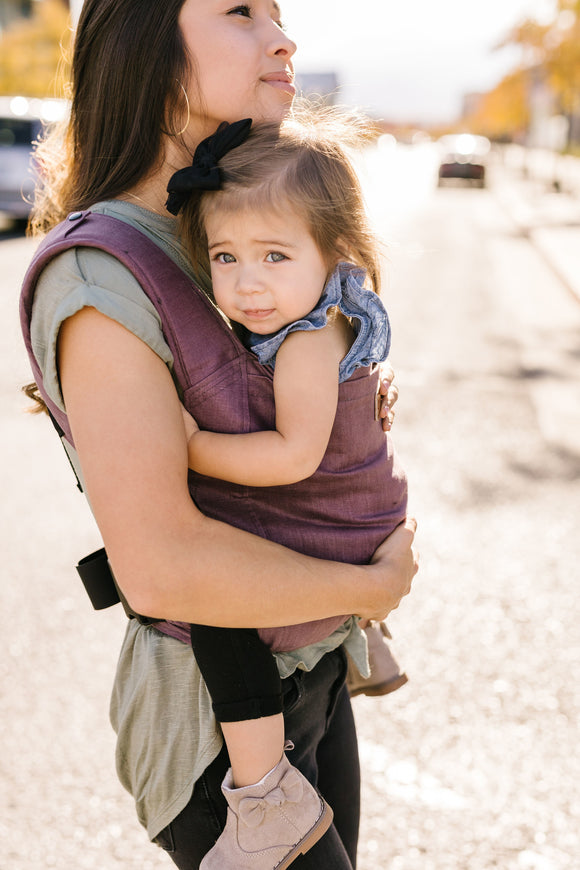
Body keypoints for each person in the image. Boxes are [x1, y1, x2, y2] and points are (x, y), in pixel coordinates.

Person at [19, 2, 418, 869]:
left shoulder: (224, 225)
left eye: (278, 13)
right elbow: (161, 564)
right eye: (241, 11)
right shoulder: (101, 274)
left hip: (309, 665)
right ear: (146, 48)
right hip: (221, 733)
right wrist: (370, 583)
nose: (283, 37)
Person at [164, 111, 410, 870]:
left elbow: (293, 456)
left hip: (335, 516)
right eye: (226, 255)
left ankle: (264, 793)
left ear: (334, 249)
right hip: (359, 510)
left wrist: (188, 444)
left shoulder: (307, 339)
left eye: (274, 254)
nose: (247, 281)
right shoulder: (321, 306)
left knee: (217, 605)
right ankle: (360, 636)